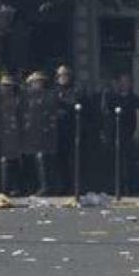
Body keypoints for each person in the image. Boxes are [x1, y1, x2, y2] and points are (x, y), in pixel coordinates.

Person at [104, 72, 139, 195]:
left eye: (126, 82)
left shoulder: (134, 98)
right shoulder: (114, 98)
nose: (124, 84)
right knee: (117, 163)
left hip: (129, 133)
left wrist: (137, 131)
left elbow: (138, 115)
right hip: (116, 134)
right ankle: (118, 189)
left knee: (130, 163)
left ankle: (132, 189)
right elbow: (107, 113)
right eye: (121, 82)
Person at [20, 70, 58, 196]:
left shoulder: (49, 95)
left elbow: (52, 112)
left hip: (44, 132)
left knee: (43, 159)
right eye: (35, 82)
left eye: (40, 82)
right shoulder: (25, 97)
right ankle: (32, 186)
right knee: (30, 160)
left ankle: (46, 186)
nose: (37, 84)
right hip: (30, 132)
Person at [54, 65, 85, 195]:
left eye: (65, 75)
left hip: (72, 129)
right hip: (57, 130)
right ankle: (62, 186)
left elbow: (74, 103)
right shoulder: (54, 91)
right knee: (59, 160)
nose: (63, 78)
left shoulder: (75, 90)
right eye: (61, 75)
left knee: (73, 160)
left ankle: (75, 187)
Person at [0, 72, 22, 195]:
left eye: (9, 86)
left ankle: (14, 187)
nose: (7, 88)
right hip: (1, 133)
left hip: (14, 133)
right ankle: (3, 188)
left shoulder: (17, 99)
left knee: (14, 161)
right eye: (5, 86)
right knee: (4, 161)